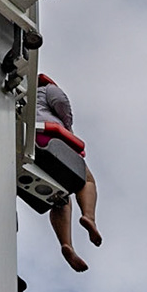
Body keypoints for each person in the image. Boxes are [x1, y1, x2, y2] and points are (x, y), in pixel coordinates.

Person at [36, 73, 102, 271]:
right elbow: (62, 104)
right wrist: (68, 126)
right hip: (51, 140)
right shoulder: (46, 89)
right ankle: (89, 216)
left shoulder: (13, 99)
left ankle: (66, 244)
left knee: (60, 197)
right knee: (86, 181)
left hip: (27, 146)